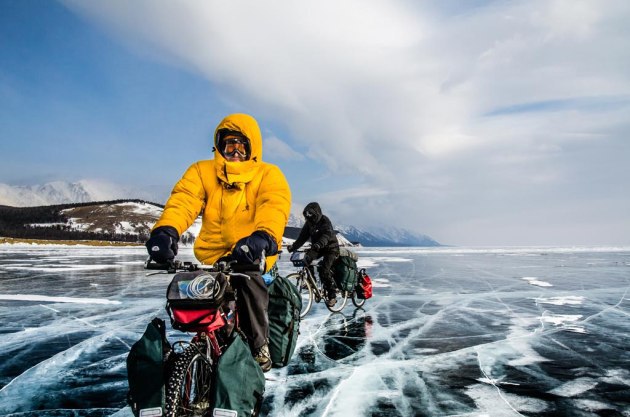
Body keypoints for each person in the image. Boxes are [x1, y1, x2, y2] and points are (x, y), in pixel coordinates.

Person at [145, 113, 291, 372]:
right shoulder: (202, 171)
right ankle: (204, 352)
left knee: (250, 284)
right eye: (229, 145)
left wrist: (264, 236)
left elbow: (274, 206)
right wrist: (166, 231)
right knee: (195, 295)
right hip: (213, 256)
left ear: (252, 148)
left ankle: (260, 345)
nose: (234, 152)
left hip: (251, 254)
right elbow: (184, 201)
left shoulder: (268, 175)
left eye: (241, 146)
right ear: (219, 147)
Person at [287, 202, 340, 307]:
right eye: (307, 214)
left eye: (310, 214)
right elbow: (302, 237)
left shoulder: (324, 221)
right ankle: (312, 282)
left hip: (331, 249)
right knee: (306, 259)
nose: (308, 216)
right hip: (318, 247)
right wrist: (293, 247)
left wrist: (319, 244)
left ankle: (332, 296)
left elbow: (327, 234)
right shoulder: (309, 224)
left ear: (316, 212)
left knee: (324, 270)